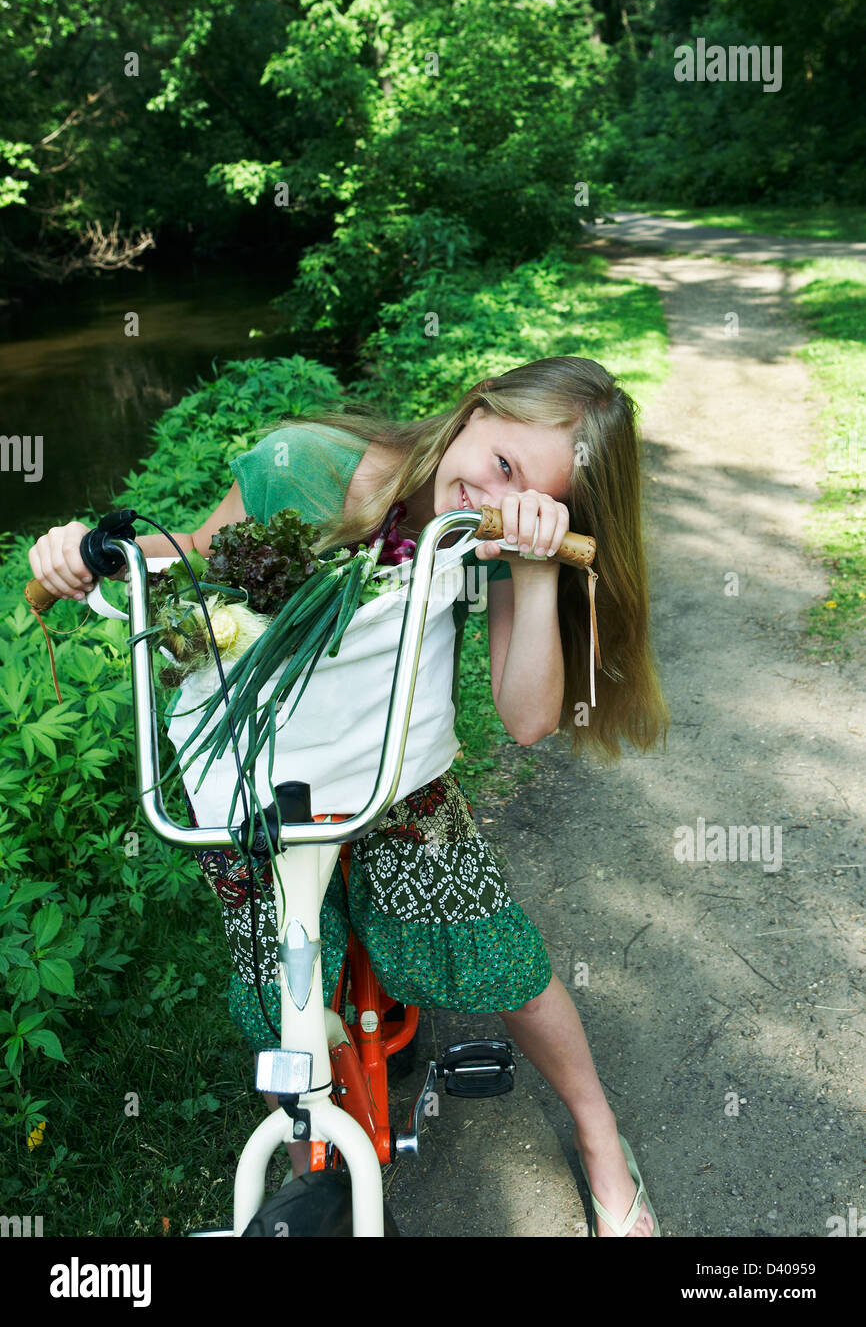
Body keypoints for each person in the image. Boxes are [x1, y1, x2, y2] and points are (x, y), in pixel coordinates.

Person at [28, 355, 669, 1237]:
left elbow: (525, 722)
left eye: (523, 487)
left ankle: (601, 1136)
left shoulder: (488, 538)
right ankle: (311, 1168)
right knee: (282, 994)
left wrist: (535, 564)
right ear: (475, 410)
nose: (487, 489)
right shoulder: (316, 467)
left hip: (388, 777)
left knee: (495, 955)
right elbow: (184, 560)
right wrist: (79, 552)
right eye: (500, 461)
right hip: (259, 778)